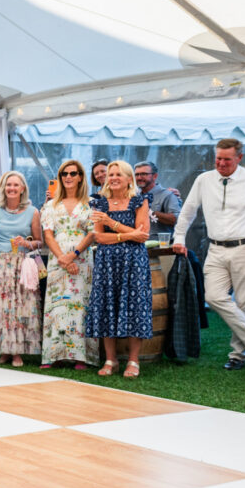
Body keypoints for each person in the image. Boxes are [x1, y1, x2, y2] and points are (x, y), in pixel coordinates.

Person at [173, 138, 245, 369]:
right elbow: (187, 211)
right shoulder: (204, 179)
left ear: (239, 158)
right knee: (213, 297)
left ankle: (238, 355)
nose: (221, 163)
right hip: (215, 248)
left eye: (227, 159)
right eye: (218, 158)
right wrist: (179, 237)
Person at [86, 161, 152, 377]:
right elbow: (98, 237)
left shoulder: (139, 201)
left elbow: (143, 235)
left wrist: (110, 223)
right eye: (111, 174)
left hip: (134, 262)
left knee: (135, 307)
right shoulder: (99, 203)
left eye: (118, 174)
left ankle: (133, 361)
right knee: (107, 306)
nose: (113, 178)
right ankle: (111, 359)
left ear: (129, 179)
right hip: (107, 263)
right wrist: (128, 234)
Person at [0, 171, 43, 366]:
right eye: (8, 185)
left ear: (22, 188)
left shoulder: (33, 212)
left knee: (19, 307)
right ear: (3, 188)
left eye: (15, 185)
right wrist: (2, 254)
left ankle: (18, 353)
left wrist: (27, 242)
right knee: (0, 308)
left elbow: (40, 242)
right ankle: (3, 351)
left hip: (22, 264)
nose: (11, 188)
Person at [40, 160, 99, 369]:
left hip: (81, 259)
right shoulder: (51, 205)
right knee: (57, 307)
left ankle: (80, 356)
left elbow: (93, 232)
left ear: (81, 176)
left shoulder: (91, 203)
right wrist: (63, 259)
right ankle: (53, 354)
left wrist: (73, 255)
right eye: (64, 173)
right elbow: (48, 235)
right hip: (57, 259)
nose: (68, 177)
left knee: (80, 307)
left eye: (73, 173)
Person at [134, 161, 181, 239]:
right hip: (137, 245)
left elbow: (177, 220)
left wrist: (149, 211)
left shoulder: (168, 195)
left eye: (144, 174)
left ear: (155, 176)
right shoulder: (133, 196)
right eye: (136, 174)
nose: (139, 177)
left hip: (161, 247)